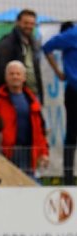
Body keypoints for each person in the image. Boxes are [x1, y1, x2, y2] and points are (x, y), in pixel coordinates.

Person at [0, 61, 49, 176]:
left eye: (18, 74)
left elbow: (40, 131)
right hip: (4, 154)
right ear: (6, 77)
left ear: (24, 77)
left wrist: (43, 153)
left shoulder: (33, 101)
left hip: (28, 153)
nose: (15, 76)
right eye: (11, 74)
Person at [42, 21, 76, 184]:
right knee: (71, 133)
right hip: (75, 90)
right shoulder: (71, 35)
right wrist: (57, 71)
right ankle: (68, 178)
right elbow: (47, 47)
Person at [0, 9, 48, 102]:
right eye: (26, 23)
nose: (29, 26)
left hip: (33, 93)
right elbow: (1, 71)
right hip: (15, 94)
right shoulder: (7, 43)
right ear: (17, 22)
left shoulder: (34, 43)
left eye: (32, 23)